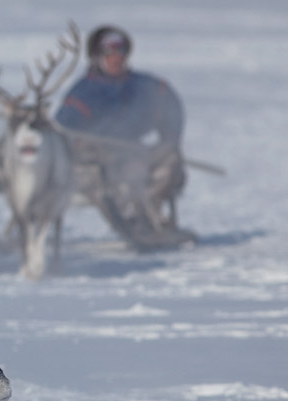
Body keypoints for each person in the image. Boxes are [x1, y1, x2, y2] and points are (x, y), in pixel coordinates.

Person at [55, 25, 191, 247]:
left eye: (121, 54)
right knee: (127, 170)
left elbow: (170, 105)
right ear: (98, 57)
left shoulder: (141, 86)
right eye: (109, 55)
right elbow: (63, 129)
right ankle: (134, 224)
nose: (116, 60)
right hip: (99, 162)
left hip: (136, 152)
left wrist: (170, 137)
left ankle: (153, 214)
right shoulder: (84, 91)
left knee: (169, 157)